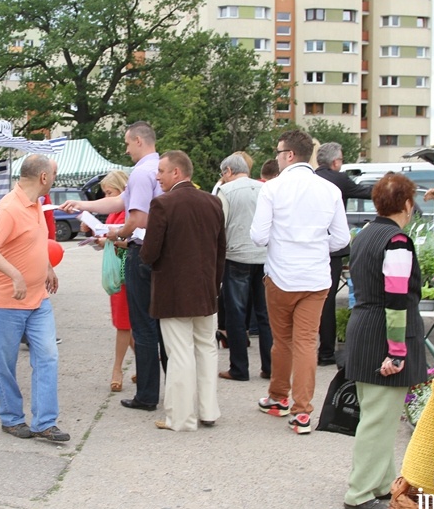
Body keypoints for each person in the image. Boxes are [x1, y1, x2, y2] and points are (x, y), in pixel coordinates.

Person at [59, 121, 164, 412]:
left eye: (128, 144)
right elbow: (119, 201)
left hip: (140, 251)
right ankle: (162, 388)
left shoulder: (142, 172)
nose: (127, 150)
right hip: (154, 253)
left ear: (140, 141)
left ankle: (147, 394)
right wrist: (84, 206)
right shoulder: (154, 169)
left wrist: (116, 233)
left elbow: (137, 218)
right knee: (156, 326)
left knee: (142, 327)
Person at [251, 130, 350, 435]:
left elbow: (258, 236)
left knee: (283, 341)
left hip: (281, 276)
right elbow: (342, 239)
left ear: (289, 155)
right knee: (308, 342)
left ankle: (279, 397)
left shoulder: (272, 189)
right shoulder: (330, 189)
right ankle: (303, 412)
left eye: (279, 152)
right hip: (317, 277)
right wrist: (316, 245)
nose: (277, 158)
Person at [342, 173, 426, 509]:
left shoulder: (364, 235)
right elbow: (396, 299)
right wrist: (397, 349)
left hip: (363, 325)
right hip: (384, 332)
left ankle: (380, 482)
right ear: (406, 203)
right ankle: (360, 491)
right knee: (378, 418)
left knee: (378, 414)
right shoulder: (397, 241)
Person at [0, 155, 70, 442]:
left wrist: (47, 267)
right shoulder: (9, 208)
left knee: (48, 356)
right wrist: (15, 274)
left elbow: (34, 242)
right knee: (5, 363)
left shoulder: (37, 205)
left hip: (38, 298)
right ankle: (11, 418)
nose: (54, 180)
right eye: (52, 175)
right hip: (7, 301)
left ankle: (44, 422)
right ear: (43, 177)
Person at [141, 151, 225, 431]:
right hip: (206, 291)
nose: (157, 176)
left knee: (179, 353)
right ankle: (208, 410)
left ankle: (182, 417)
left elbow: (150, 253)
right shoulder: (213, 202)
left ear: (176, 172)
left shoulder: (163, 204)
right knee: (206, 349)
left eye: (162, 171)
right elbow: (220, 251)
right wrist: (215, 285)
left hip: (174, 293)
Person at [314, 142, 373, 366]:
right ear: (336, 162)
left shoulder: (312, 178)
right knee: (327, 300)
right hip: (333, 249)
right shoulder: (339, 179)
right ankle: (326, 351)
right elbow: (367, 192)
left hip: (311, 246)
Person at [216, 152, 272, 382]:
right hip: (264, 256)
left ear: (228, 171)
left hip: (237, 256)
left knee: (236, 315)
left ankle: (239, 368)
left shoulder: (226, 191)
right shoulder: (265, 189)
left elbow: (220, 225)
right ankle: (270, 367)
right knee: (265, 314)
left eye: (223, 174)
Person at [96, 170, 133, 392]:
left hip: (124, 271)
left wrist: (109, 241)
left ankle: (117, 368)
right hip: (118, 271)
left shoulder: (129, 211)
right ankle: (148, 362)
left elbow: (132, 241)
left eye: (110, 193)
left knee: (123, 323)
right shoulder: (117, 211)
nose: (108, 197)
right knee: (125, 322)